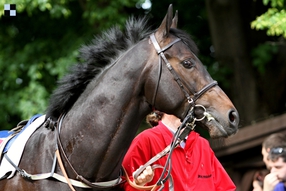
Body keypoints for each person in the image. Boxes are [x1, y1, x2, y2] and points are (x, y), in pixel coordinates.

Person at [122, 111, 236, 190]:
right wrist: (138, 184)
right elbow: (122, 186)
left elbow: (226, 188)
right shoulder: (145, 140)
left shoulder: (202, 145)